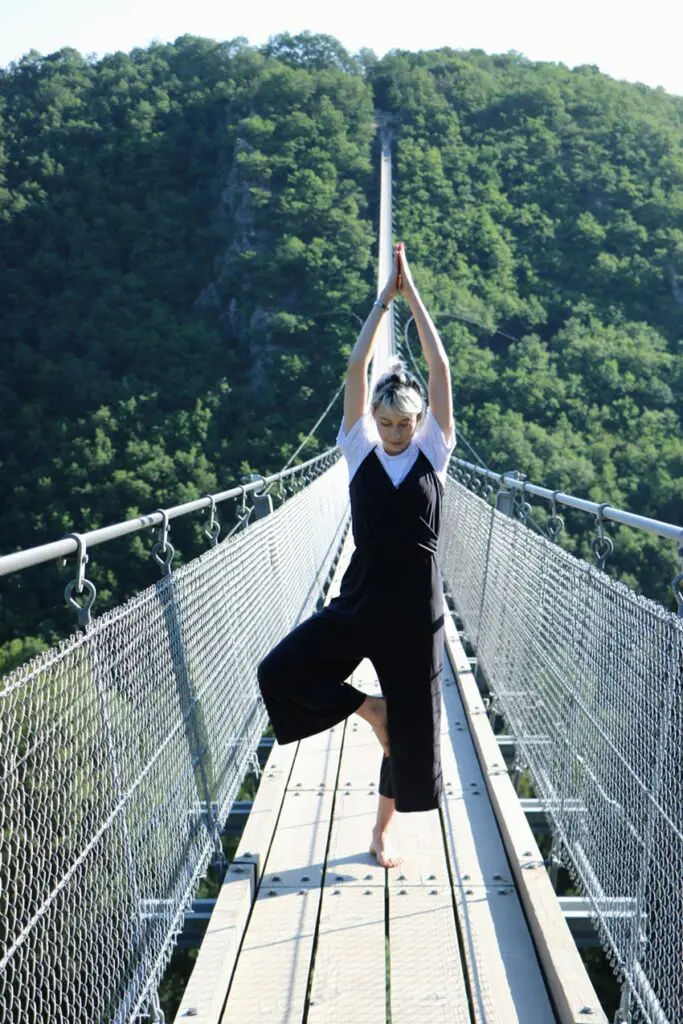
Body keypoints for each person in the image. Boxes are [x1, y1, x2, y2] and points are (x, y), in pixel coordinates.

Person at [257, 245, 456, 868]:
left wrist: (412, 293)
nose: (396, 433)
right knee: (279, 672)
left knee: (415, 746)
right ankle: (368, 709)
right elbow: (353, 369)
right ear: (371, 419)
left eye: (405, 423)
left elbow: (441, 368)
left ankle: (380, 832)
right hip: (363, 597)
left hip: (416, 612)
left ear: (421, 421)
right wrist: (382, 300)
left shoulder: (436, 453)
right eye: (386, 422)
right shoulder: (357, 450)